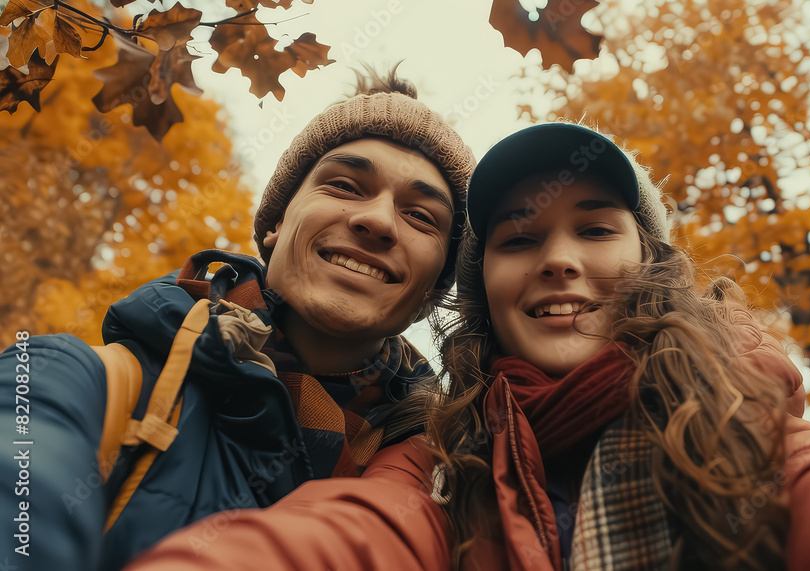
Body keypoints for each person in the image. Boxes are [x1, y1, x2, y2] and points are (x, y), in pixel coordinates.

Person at [126, 123, 810, 571]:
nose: (558, 260)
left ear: (649, 264)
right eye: (517, 237)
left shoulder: (749, 417)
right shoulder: (441, 455)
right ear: (482, 296)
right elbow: (350, 538)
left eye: (594, 228)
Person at [0, 67, 475, 570]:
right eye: (344, 185)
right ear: (274, 224)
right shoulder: (72, 380)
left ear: (433, 290)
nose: (378, 220)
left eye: (422, 216)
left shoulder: (457, 479)